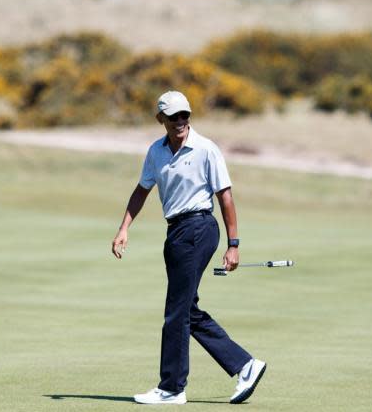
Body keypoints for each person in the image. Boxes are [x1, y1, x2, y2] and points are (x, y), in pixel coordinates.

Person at [111, 91, 266, 405]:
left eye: (185, 115)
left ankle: (171, 387)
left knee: (176, 312)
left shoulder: (206, 148)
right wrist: (124, 227)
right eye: (174, 117)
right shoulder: (156, 151)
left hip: (198, 227)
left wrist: (233, 244)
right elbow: (142, 190)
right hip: (176, 232)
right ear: (161, 120)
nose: (180, 121)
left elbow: (226, 196)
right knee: (186, 310)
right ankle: (245, 365)